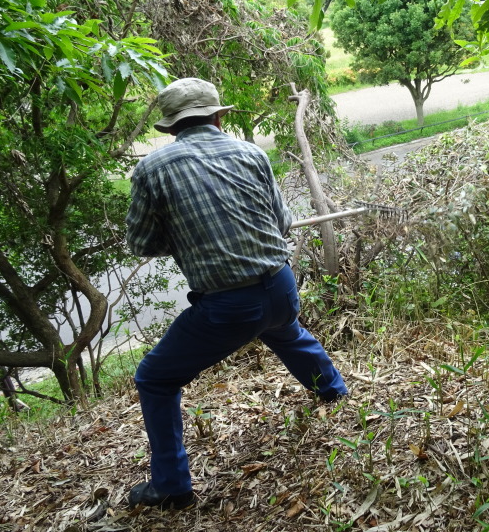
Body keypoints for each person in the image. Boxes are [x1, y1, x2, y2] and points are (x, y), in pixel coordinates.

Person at [125, 78, 347, 510]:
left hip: (228, 305)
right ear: (218, 115)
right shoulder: (251, 153)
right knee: (284, 328)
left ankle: (171, 486)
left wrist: (185, 234)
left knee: (154, 377)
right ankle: (333, 391)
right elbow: (282, 224)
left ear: (171, 128)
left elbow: (142, 244)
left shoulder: (152, 168)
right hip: (282, 287)